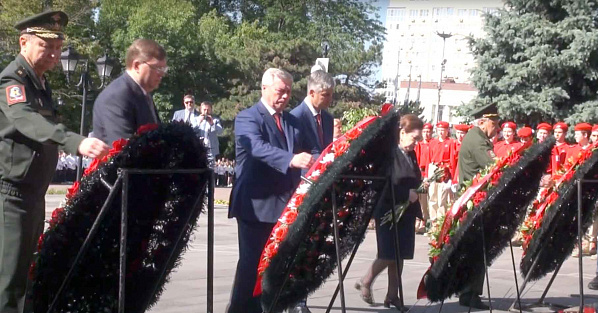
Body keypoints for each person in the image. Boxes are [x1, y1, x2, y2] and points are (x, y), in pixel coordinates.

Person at [0, 11, 109, 313]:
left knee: (26, 277)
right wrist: (76, 142)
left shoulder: (40, 82)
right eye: (46, 46)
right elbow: (27, 121)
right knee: (9, 281)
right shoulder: (12, 80)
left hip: (32, 193)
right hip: (11, 194)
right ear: (24, 42)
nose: (54, 54)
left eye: (58, 48)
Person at [227, 68, 316, 313]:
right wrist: (291, 159)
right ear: (264, 88)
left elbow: (312, 151)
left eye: (289, 92)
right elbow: (257, 148)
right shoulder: (248, 118)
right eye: (281, 91)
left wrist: (334, 158)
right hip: (256, 206)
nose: (286, 96)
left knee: (278, 267)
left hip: (286, 207)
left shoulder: (293, 122)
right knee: (251, 265)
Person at [356, 114, 424, 311]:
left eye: (418, 139)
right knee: (388, 253)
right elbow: (383, 185)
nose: (416, 143)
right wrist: (406, 194)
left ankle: (393, 295)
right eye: (414, 138)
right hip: (387, 209)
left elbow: (412, 178)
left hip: (405, 211)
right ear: (402, 133)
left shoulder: (410, 154)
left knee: (400, 254)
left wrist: (418, 190)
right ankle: (366, 280)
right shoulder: (389, 154)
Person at [457, 103, 500, 310]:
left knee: (476, 248)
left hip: (475, 200)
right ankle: (469, 292)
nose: (497, 128)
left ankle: (469, 291)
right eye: (494, 123)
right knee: (476, 248)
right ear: (482, 122)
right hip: (474, 201)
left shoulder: (478, 138)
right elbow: (495, 167)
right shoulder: (478, 141)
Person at [93, 39, 166, 144]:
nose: (161, 74)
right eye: (157, 68)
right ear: (136, 66)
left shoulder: (142, 93)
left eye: (163, 69)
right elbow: (125, 149)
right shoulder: (117, 96)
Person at [427, 121, 455, 222]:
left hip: (444, 169)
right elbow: (428, 160)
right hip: (433, 168)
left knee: (442, 197)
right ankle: (433, 220)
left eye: (443, 130)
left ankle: (440, 220)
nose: (441, 132)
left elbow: (452, 158)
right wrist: (427, 175)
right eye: (439, 130)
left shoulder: (451, 142)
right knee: (432, 195)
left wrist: (452, 175)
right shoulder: (433, 142)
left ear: (447, 131)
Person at [414, 123, 433, 232]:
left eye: (428, 132)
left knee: (425, 199)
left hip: (428, 174)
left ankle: (423, 220)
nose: (426, 134)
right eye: (424, 132)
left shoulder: (433, 144)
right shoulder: (419, 145)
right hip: (419, 173)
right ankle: (417, 219)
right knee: (417, 198)